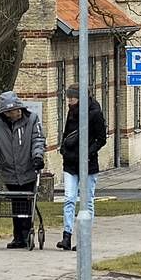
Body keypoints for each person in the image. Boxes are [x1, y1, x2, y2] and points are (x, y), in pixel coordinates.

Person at [0, 91, 46, 248]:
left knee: (27, 200)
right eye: (12, 111)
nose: (16, 113)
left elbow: (38, 139)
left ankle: (25, 234)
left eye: (17, 109)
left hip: (28, 168)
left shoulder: (31, 119)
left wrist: (38, 156)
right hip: (8, 170)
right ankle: (19, 237)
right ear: (5, 113)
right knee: (17, 202)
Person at [59, 83, 108, 251]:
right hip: (70, 162)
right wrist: (63, 149)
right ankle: (66, 235)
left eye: (72, 98)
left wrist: (88, 152)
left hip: (88, 163)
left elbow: (101, 138)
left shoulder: (94, 113)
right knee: (69, 198)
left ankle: (84, 238)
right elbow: (67, 133)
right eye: (68, 98)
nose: (69, 101)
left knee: (87, 201)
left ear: (80, 98)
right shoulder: (72, 112)